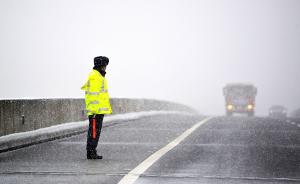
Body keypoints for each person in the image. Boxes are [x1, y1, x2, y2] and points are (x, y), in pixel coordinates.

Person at [81, 56, 112, 159]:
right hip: (95, 111)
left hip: (98, 110)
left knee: (95, 132)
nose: (105, 68)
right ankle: (91, 152)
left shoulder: (99, 76)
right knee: (94, 132)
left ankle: (92, 151)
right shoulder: (96, 76)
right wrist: (94, 111)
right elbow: (93, 95)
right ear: (101, 65)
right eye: (105, 65)